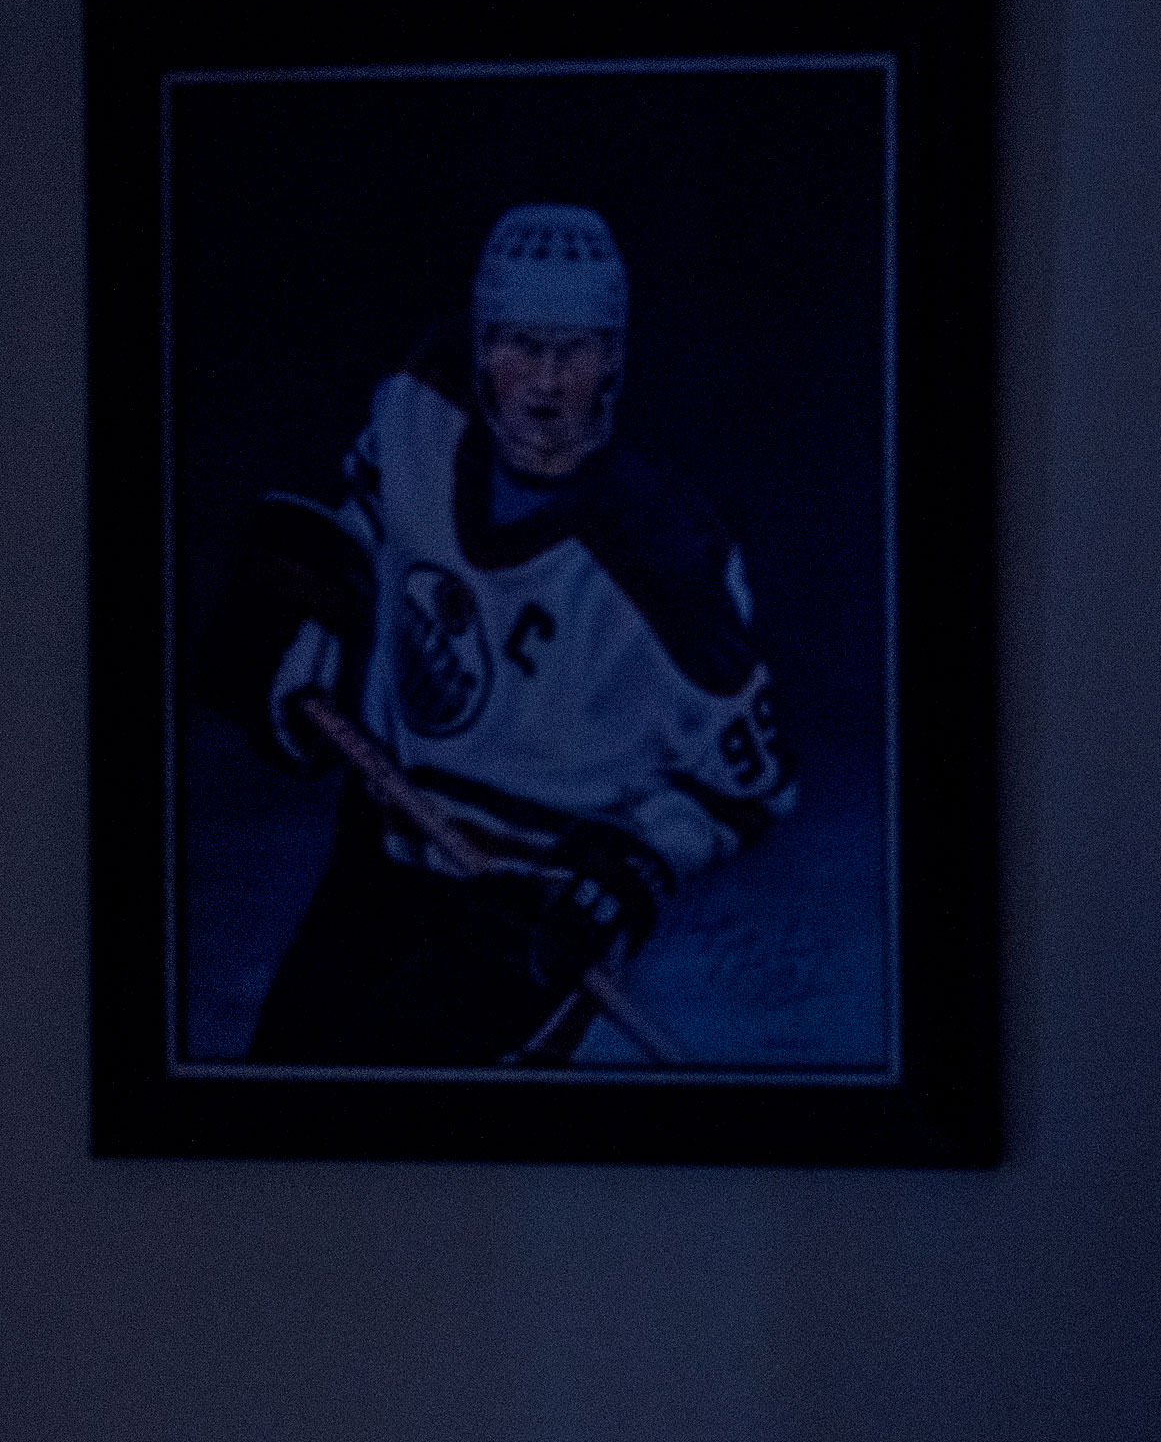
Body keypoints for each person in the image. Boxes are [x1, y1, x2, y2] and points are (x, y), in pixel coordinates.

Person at [208, 203, 795, 1067]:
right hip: (382, 841)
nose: (547, 383)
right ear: (481, 345)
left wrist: (633, 871)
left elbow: (752, 785)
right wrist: (310, 641)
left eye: (575, 350)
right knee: (282, 1091)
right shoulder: (423, 400)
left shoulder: (671, 563)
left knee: (417, 1157)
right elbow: (366, 512)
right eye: (521, 345)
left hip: (527, 915)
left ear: (615, 361)